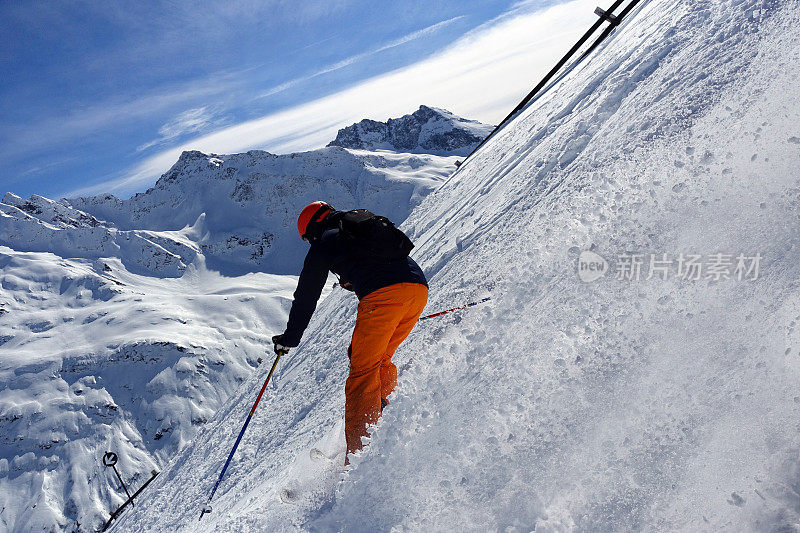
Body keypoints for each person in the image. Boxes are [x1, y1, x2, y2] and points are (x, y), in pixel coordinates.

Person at [272, 201, 428, 461]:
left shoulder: (326, 240)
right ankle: (384, 419)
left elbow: (307, 293)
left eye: (309, 239)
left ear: (313, 231)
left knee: (362, 374)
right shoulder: (360, 231)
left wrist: (290, 337)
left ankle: (359, 460)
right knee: (377, 359)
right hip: (417, 291)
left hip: (384, 297)